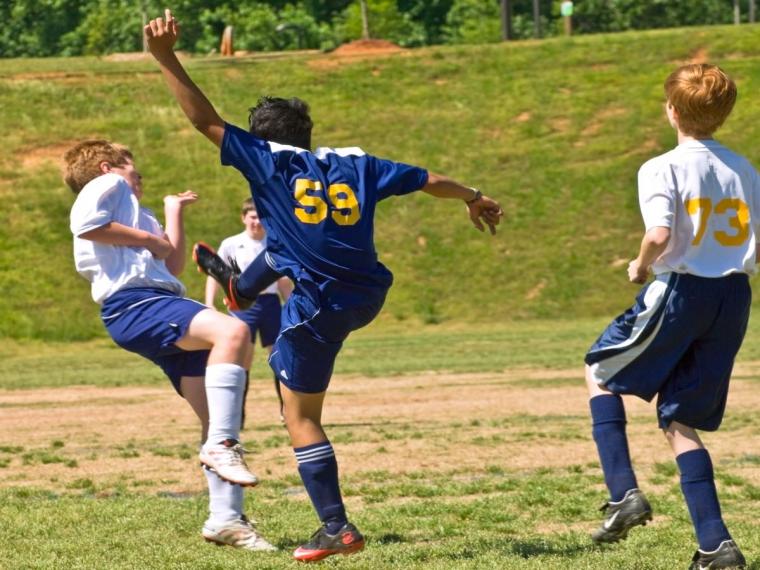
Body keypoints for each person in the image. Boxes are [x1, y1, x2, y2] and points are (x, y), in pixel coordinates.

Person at [145, 9, 503, 562]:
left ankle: (336, 527)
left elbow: (203, 120)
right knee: (282, 255)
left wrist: (165, 56)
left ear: (262, 141)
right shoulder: (355, 164)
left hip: (321, 304)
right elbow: (429, 179)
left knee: (299, 416)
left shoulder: (267, 163)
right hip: (367, 292)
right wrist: (474, 196)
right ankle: (242, 288)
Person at [66, 140, 276, 552]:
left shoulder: (136, 212)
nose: (139, 175)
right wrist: (149, 239)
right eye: (133, 168)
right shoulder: (107, 185)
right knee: (233, 333)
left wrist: (172, 213)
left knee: (220, 417)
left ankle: (225, 519)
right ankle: (221, 450)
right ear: (108, 167)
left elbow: (173, 265)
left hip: (156, 302)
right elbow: (85, 225)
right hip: (137, 303)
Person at [584, 63, 755, 569]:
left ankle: (623, 494)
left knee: (599, 371)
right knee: (679, 416)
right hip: (733, 297)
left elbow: (659, 234)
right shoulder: (744, 169)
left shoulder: (663, 167)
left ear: (672, 112)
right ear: (723, 114)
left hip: (682, 291)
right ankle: (715, 544)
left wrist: (640, 266)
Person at [202, 198, 292, 424]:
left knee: (279, 357)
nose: (256, 222)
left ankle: (288, 411)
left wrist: (291, 304)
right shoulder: (231, 244)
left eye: (260, 217)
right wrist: (209, 303)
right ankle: (236, 415)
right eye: (252, 217)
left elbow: (282, 281)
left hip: (270, 304)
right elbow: (215, 274)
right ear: (244, 218)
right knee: (242, 360)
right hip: (243, 306)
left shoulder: (273, 243)